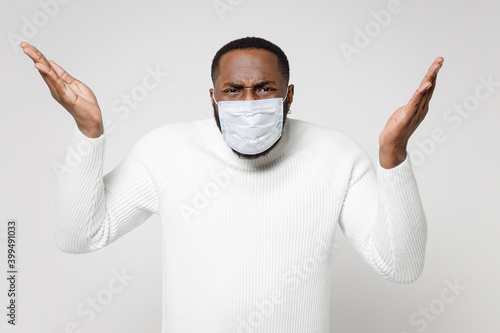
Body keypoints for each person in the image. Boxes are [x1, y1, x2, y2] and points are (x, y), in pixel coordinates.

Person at [21, 36, 443, 332]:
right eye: (233, 90)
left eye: (264, 89)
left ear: (289, 95)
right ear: (213, 98)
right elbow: (79, 235)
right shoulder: (169, 149)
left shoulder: (335, 155)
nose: (249, 103)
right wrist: (88, 132)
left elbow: (402, 265)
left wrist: (394, 154)